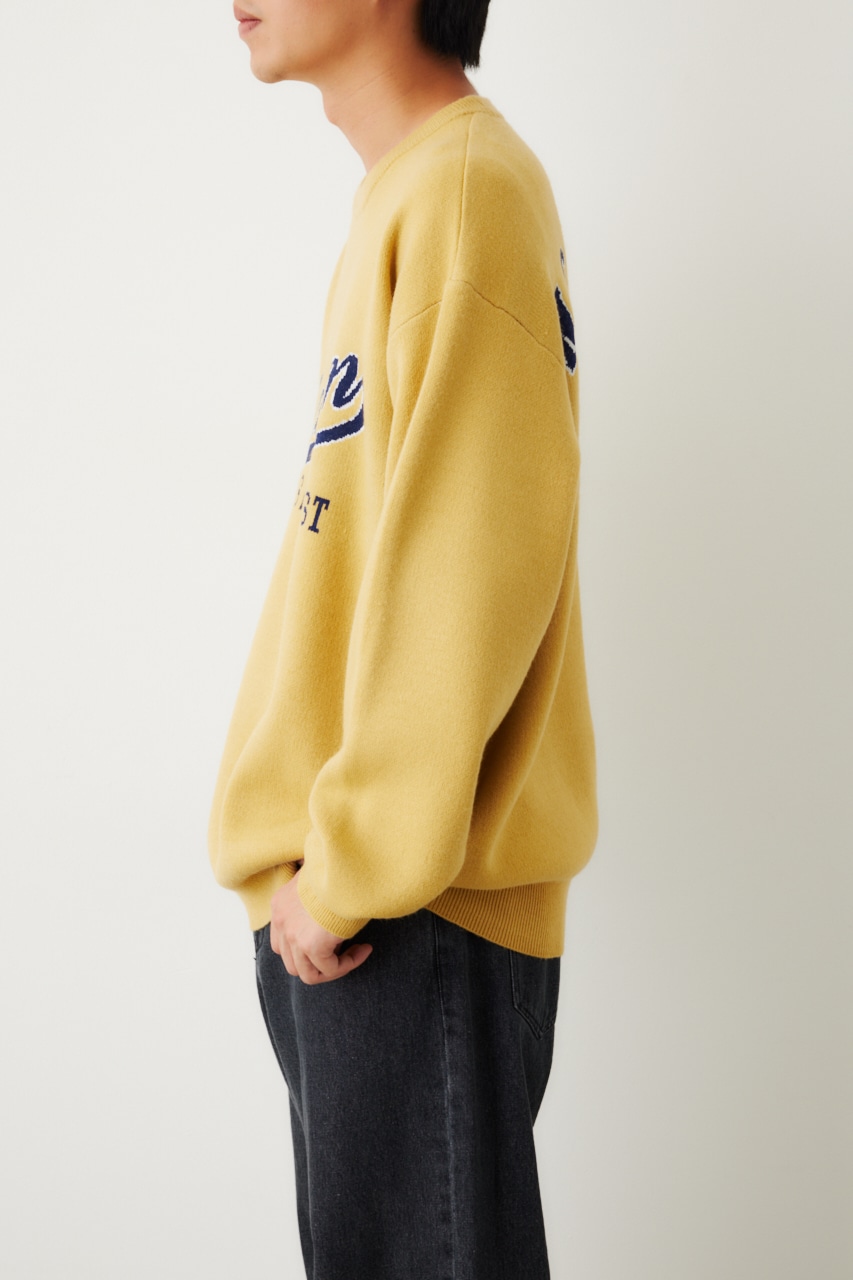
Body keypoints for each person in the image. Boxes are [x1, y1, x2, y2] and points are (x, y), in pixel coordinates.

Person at [208, 0, 598, 1275]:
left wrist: (353, 863)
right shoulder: (412, 194)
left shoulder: (464, 195)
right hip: (365, 903)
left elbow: (464, 576)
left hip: (400, 908)